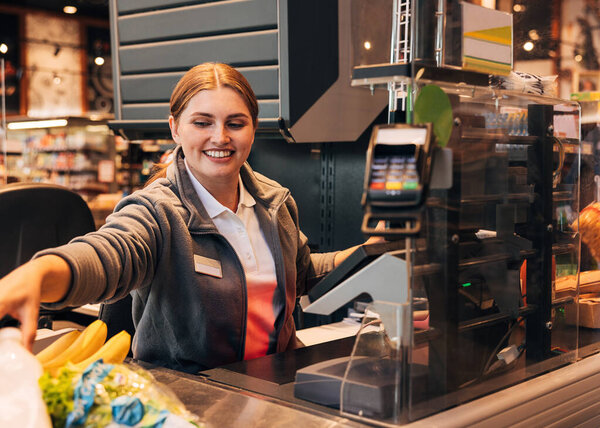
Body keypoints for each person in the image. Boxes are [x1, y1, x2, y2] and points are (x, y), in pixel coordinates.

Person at [0, 62, 376, 373]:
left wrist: (367, 253)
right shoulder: (158, 211)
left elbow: (303, 270)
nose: (220, 137)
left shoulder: (275, 203)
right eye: (202, 122)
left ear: (253, 128)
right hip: (188, 400)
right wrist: (39, 273)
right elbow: (108, 253)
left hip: (272, 389)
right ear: (175, 128)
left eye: (235, 122)